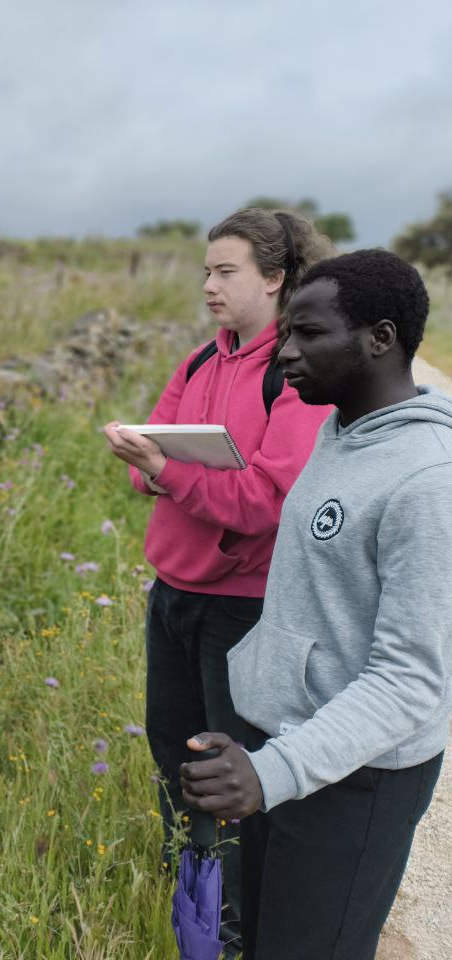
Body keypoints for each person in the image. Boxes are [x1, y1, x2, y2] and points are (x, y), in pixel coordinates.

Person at [181, 250, 450, 959]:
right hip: (292, 748)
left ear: (380, 339)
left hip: (356, 782)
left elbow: (410, 681)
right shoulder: (341, 433)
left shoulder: (428, 483)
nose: (286, 353)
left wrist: (273, 771)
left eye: (309, 334)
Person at [101, 208, 334, 954]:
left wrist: (167, 471)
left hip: (241, 608)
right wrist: (159, 470)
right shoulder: (203, 360)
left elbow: (267, 500)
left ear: (274, 277)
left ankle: (231, 929)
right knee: (172, 749)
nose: (208, 285)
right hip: (171, 592)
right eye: (206, 270)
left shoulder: (292, 376)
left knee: (227, 771)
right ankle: (189, 890)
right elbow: (155, 459)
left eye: (224, 271)